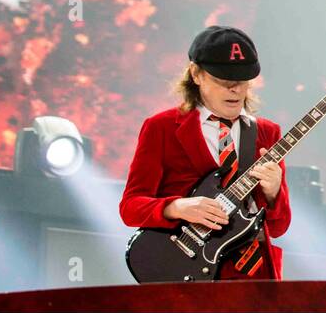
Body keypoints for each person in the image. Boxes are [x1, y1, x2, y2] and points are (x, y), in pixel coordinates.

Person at [119, 25, 292, 279]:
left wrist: (274, 193)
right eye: (223, 81)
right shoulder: (162, 128)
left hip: (252, 279)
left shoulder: (268, 133)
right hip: (183, 275)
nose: (235, 90)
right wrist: (176, 207)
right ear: (196, 74)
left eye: (242, 81)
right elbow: (130, 208)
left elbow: (279, 227)